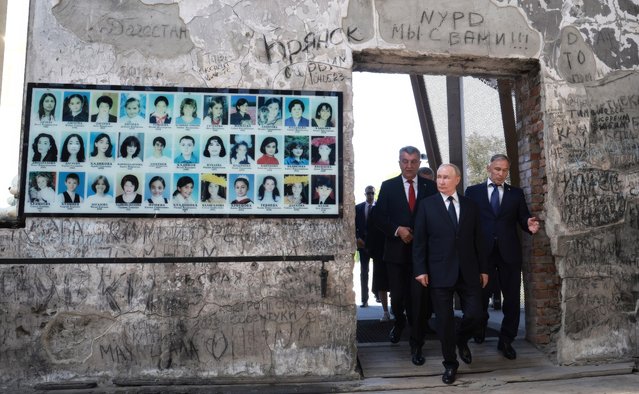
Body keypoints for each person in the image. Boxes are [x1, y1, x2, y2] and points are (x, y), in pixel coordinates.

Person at [412, 163, 489, 385]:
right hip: (439, 272)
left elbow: (479, 240)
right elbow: (419, 242)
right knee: (444, 321)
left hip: (469, 271)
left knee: (476, 315)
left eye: (446, 177)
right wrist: (420, 270)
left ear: (457, 179)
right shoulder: (427, 206)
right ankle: (450, 365)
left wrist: (483, 269)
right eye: (438, 177)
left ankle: (461, 338)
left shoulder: (470, 206)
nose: (441, 181)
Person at [465, 154, 540, 359]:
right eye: (497, 169)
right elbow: (467, 222)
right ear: (488, 168)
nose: (501, 173)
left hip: (509, 253)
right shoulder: (472, 192)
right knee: (480, 297)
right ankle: (479, 326)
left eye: (505, 170)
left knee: (513, 300)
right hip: (483, 254)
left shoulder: (516, 194)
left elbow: (522, 217)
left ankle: (506, 340)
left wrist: (528, 224)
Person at [371, 145, 437, 366]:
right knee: (397, 298)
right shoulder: (388, 187)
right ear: (399, 162)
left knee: (418, 303)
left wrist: (417, 234)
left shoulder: (430, 186)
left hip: (422, 255)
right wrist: (397, 230)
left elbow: (436, 217)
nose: (409, 166)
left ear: (419, 163)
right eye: (405, 161)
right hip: (395, 254)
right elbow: (378, 218)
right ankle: (398, 321)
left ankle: (416, 345)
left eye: (414, 161)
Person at [367, 203, 391, 321]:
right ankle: (386, 311)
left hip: (393, 249)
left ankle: (393, 309)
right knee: (381, 282)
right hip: (379, 251)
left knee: (396, 282)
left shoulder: (396, 206)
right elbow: (370, 229)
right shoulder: (376, 210)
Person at [355, 185, 376, 308]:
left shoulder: (379, 207)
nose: (370, 195)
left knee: (378, 271)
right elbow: (354, 225)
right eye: (368, 193)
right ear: (365, 194)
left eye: (372, 193)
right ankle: (364, 299)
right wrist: (357, 238)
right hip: (362, 244)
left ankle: (377, 294)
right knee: (364, 272)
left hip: (375, 245)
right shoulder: (358, 208)